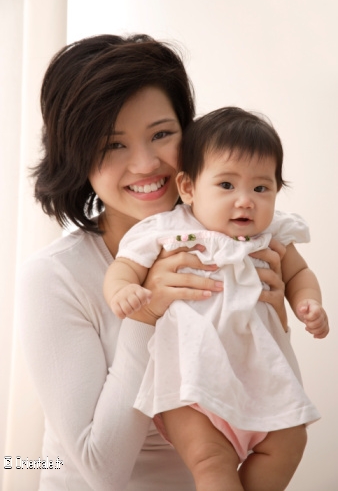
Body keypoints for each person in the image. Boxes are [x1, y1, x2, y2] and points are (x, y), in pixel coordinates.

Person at [18, 34, 289, 491]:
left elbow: (257, 404)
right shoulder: (55, 276)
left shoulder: (233, 244)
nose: (146, 164)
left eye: (162, 134)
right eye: (112, 145)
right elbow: (100, 469)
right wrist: (144, 316)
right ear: (77, 157)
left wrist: (276, 312)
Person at [104, 107, 329, 491]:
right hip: (191, 381)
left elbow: (299, 275)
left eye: (261, 188)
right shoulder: (169, 230)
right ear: (189, 188)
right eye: (227, 186)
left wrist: (309, 303)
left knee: (291, 440)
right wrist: (124, 291)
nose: (245, 201)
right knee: (211, 460)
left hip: (261, 377)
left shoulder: (272, 235)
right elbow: (124, 267)